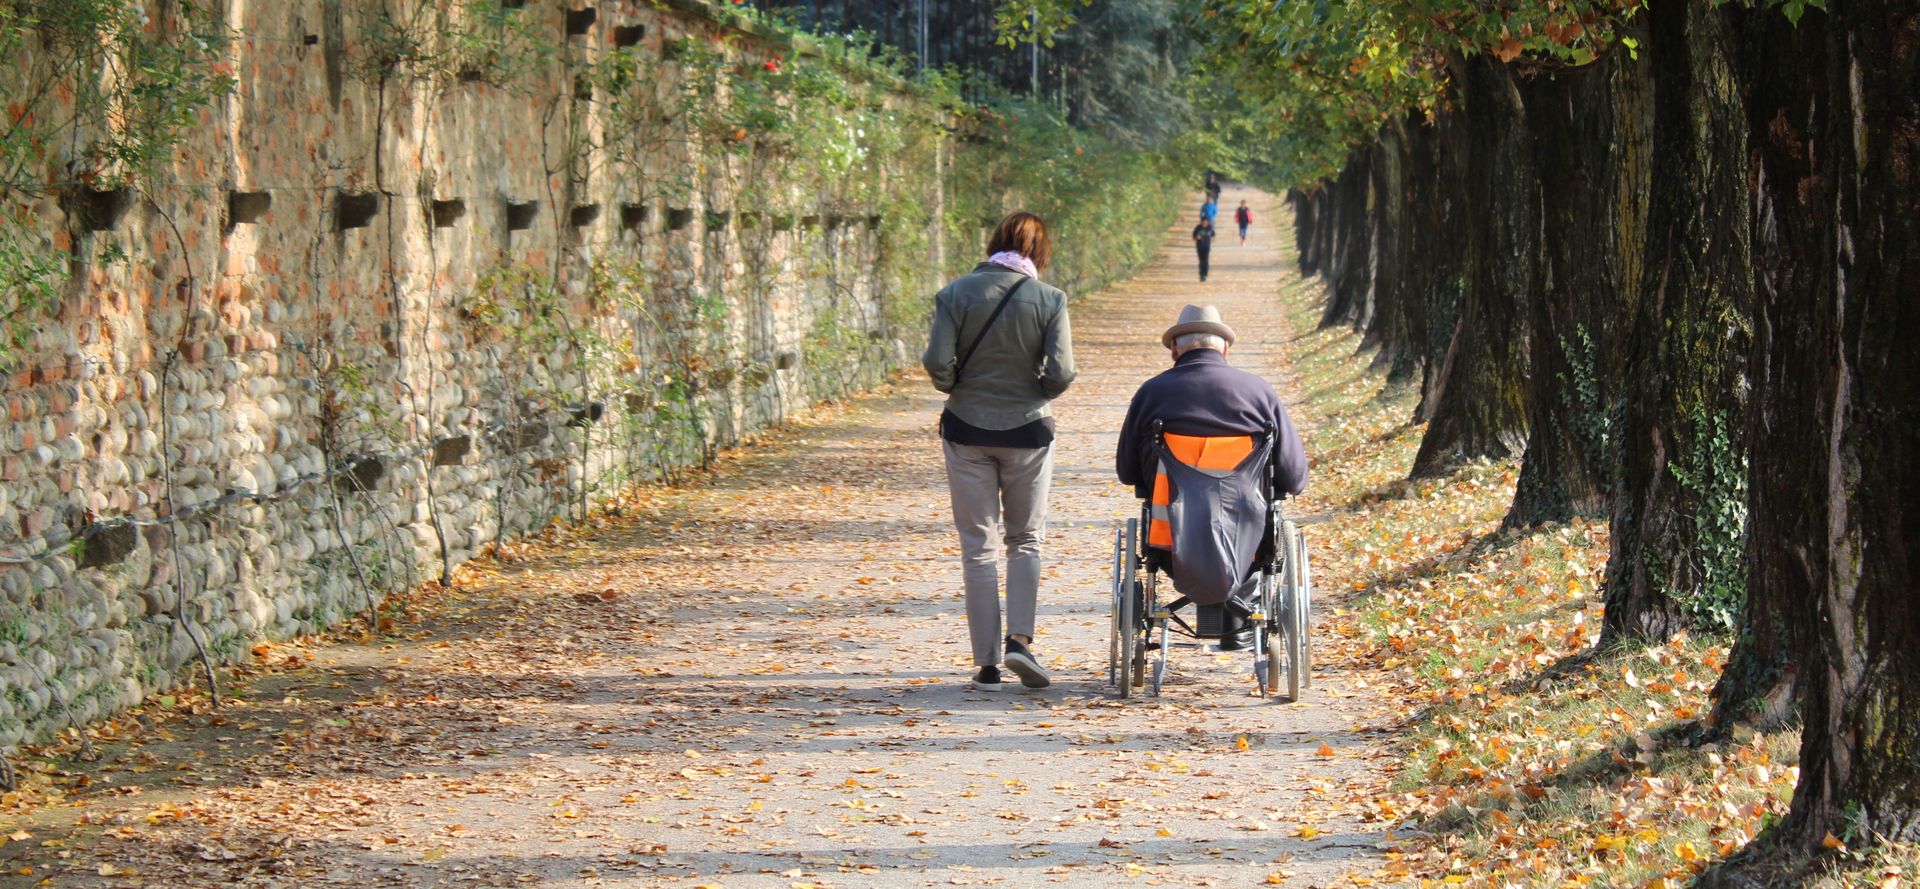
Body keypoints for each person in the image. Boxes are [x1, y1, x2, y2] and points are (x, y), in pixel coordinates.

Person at [922, 212, 1076, 692]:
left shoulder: (955, 294)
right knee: (1025, 539)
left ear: (994, 243)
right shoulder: (1050, 299)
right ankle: (1020, 642)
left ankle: (987, 663)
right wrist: (1037, 392)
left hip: (966, 428)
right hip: (1028, 432)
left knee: (978, 547)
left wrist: (956, 385)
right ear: (1039, 253)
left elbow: (936, 361)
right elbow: (1062, 371)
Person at [1115, 305, 1308, 650]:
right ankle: (1239, 621)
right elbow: (1293, 477)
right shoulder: (1259, 393)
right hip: (1249, 542)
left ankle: (1220, 616)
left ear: (1175, 349)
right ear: (1225, 349)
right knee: (1250, 517)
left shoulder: (1151, 393)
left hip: (1170, 539)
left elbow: (1127, 472)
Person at [1191, 215, 1215, 282]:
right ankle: (1201, 275)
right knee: (1201, 261)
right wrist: (1197, 237)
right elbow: (1193, 237)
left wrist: (1212, 238)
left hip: (1207, 247)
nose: (1204, 224)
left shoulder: (1209, 228)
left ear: (1207, 222)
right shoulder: (1198, 228)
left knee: (1206, 261)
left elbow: (1213, 235)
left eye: (1205, 222)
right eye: (1203, 223)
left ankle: (1205, 274)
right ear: (1201, 222)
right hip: (1199, 247)